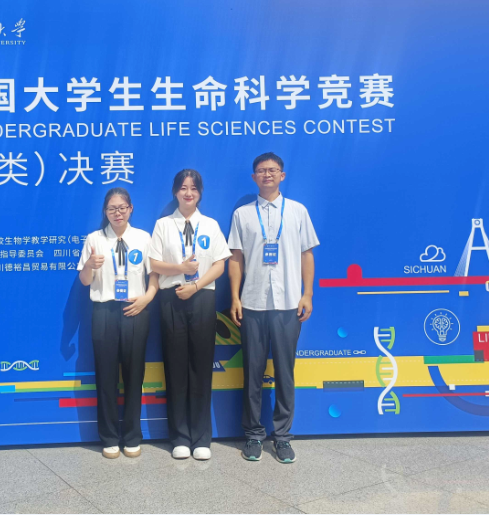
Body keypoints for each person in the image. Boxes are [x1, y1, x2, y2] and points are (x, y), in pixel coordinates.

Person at [227, 152, 319, 464]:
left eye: (273, 170)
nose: (267, 175)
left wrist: (307, 294)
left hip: (289, 304)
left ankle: (282, 438)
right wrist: (235, 297)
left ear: (282, 175)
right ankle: (253, 435)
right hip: (252, 303)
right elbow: (236, 258)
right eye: (261, 171)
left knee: (285, 372)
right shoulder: (242, 214)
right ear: (254, 177)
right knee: (252, 372)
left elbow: (307, 254)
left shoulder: (297, 211)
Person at [148, 169, 231, 461]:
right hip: (171, 299)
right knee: (175, 368)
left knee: (201, 368)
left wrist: (195, 285)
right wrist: (180, 270)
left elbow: (220, 265)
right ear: (175, 192)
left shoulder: (210, 225)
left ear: (200, 193)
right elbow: (154, 263)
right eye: (183, 188)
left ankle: (201, 437)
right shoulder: (163, 225)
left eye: (193, 188)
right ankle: (180, 437)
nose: (188, 193)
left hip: (202, 297)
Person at [78, 187, 159, 459]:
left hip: (135, 309)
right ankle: (109, 437)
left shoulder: (143, 238)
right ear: (105, 211)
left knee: (135, 375)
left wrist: (147, 299)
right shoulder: (95, 239)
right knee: (106, 377)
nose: (117, 213)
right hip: (104, 311)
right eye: (112, 208)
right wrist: (89, 265)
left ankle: (133, 436)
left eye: (122, 207)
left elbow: (154, 275)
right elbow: (85, 281)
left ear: (130, 209)